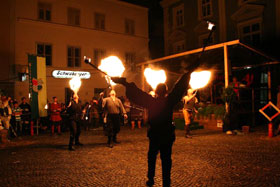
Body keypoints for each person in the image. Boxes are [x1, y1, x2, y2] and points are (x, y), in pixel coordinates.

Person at [111, 62, 199, 187]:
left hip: (155, 135)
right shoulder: (169, 101)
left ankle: (150, 179)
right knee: (166, 159)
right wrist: (189, 72)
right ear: (166, 91)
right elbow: (179, 87)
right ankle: (166, 182)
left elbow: (137, 94)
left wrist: (124, 82)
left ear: (156, 91)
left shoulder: (151, 101)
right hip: (167, 135)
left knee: (152, 158)